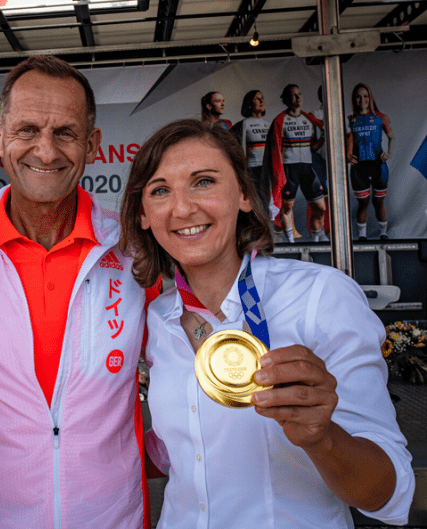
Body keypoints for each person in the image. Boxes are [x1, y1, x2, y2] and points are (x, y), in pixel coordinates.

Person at [120, 119, 414, 528]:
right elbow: (183, 450)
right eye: (160, 190)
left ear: (243, 194)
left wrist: (322, 437)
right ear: (144, 215)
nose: (182, 208)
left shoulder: (321, 296)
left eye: (203, 182)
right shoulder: (154, 318)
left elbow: (389, 494)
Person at [0, 56, 151, 528]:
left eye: (65, 133)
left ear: (92, 145)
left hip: (113, 517)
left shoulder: (134, 251)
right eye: (27, 130)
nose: (46, 151)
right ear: (0, 137)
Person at [264, 84, 328, 243]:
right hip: (289, 169)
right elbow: (274, 149)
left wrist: (322, 139)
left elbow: (312, 147)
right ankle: (291, 243)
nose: (298, 97)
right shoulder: (280, 120)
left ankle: (316, 239)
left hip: (307, 168)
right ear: (286, 100)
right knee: (286, 209)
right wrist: (276, 173)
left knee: (320, 208)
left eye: (299, 94)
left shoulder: (309, 118)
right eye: (293, 95)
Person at [346, 83, 395, 240]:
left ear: (370, 98)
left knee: (378, 202)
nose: (362, 100)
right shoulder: (350, 120)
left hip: (378, 166)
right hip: (358, 167)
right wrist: (346, 154)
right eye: (359, 97)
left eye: (365, 96)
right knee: (363, 203)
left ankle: (383, 234)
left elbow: (392, 137)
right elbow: (342, 140)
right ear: (354, 100)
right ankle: (362, 236)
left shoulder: (381, 117)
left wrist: (389, 153)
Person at [230, 90, 271, 212]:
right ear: (249, 104)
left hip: (268, 169)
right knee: (258, 203)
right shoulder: (243, 125)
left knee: (270, 203)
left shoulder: (269, 125)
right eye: (256, 99)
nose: (261, 101)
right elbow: (231, 147)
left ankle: (271, 228)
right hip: (252, 169)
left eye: (262, 98)